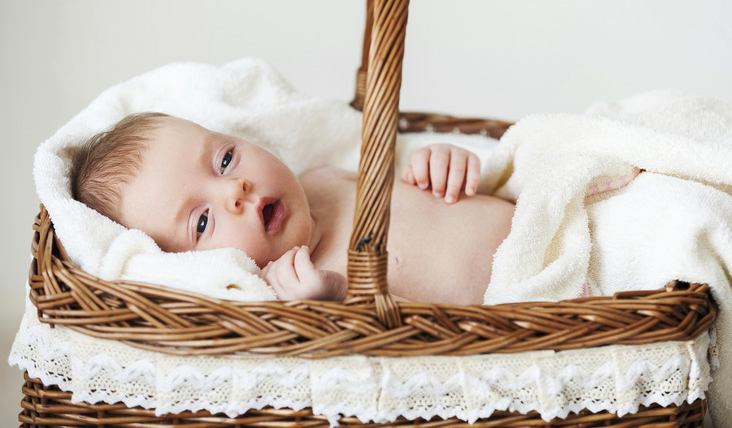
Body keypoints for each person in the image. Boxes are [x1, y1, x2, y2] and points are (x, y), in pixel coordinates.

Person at [71, 112, 515, 304]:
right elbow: (410, 347)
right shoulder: (298, 289)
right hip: (546, 300)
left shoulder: (324, 178)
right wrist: (336, 303)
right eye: (202, 221)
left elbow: (420, 188)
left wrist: (443, 162)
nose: (235, 190)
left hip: (546, 217)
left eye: (225, 160)